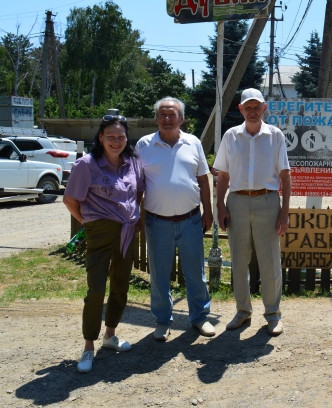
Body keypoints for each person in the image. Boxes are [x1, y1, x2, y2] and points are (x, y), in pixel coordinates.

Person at [64, 114, 144, 373]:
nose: (116, 141)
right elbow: (70, 201)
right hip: (100, 231)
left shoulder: (131, 162)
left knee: (120, 286)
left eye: (121, 137)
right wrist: (89, 224)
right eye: (111, 136)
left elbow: (138, 191)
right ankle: (89, 346)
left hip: (127, 232)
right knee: (96, 289)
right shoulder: (86, 165)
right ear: (100, 137)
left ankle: (110, 335)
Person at [136, 97, 214, 341]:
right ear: (156, 118)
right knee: (159, 275)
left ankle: (200, 318)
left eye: (172, 115)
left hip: (190, 220)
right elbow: (137, 184)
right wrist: (137, 214)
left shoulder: (193, 143)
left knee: (196, 273)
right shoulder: (144, 145)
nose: (167, 119)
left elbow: (203, 179)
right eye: (163, 114)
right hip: (156, 222)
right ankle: (162, 321)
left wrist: (208, 211)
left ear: (181, 119)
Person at [214, 88, 290, 336]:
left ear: (264, 108)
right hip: (237, 201)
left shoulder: (275, 135)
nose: (253, 111)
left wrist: (284, 212)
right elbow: (223, 175)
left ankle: (272, 314)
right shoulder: (231, 136)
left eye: (257, 107)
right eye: (248, 107)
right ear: (241, 110)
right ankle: (242, 311)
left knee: (270, 261)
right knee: (239, 261)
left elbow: (285, 176)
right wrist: (220, 205)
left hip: (267, 201)